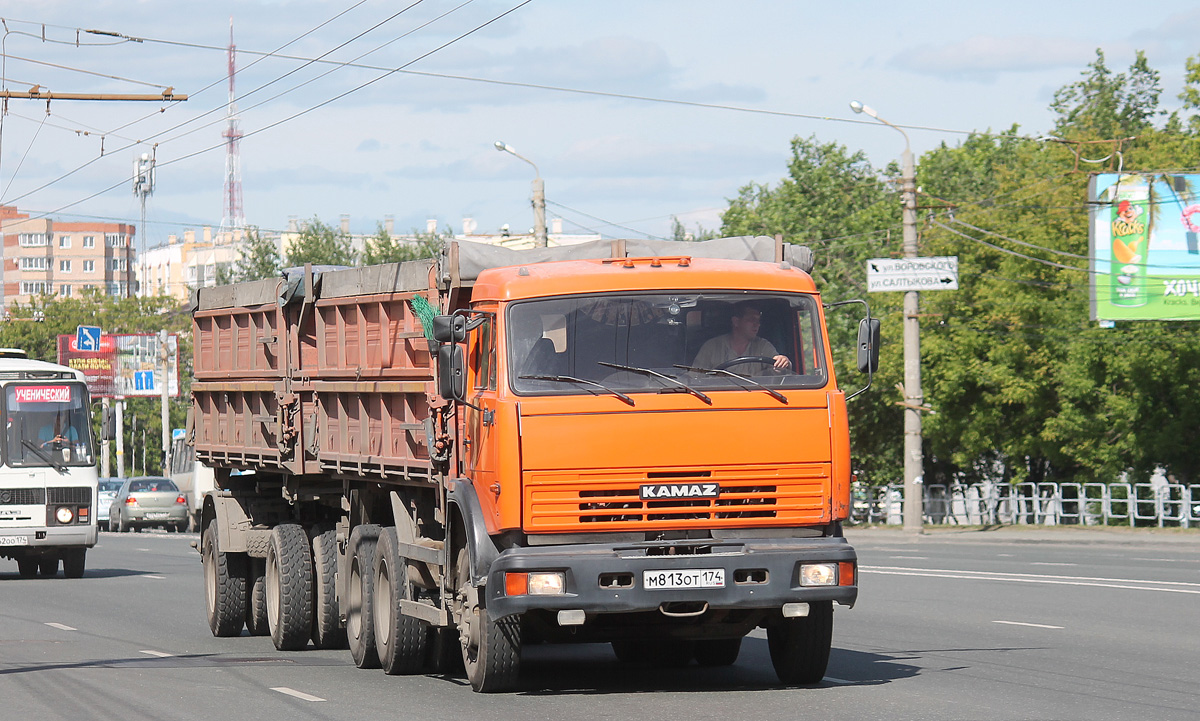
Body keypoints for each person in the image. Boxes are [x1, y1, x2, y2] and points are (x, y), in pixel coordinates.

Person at [692, 302, 791, 374]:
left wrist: (783, 362)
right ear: (736, 322)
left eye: (758, 321)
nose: (757, 325)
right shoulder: (712, 347)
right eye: (752, 320)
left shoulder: (763, 345)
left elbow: (779, 366)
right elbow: (694, 378)